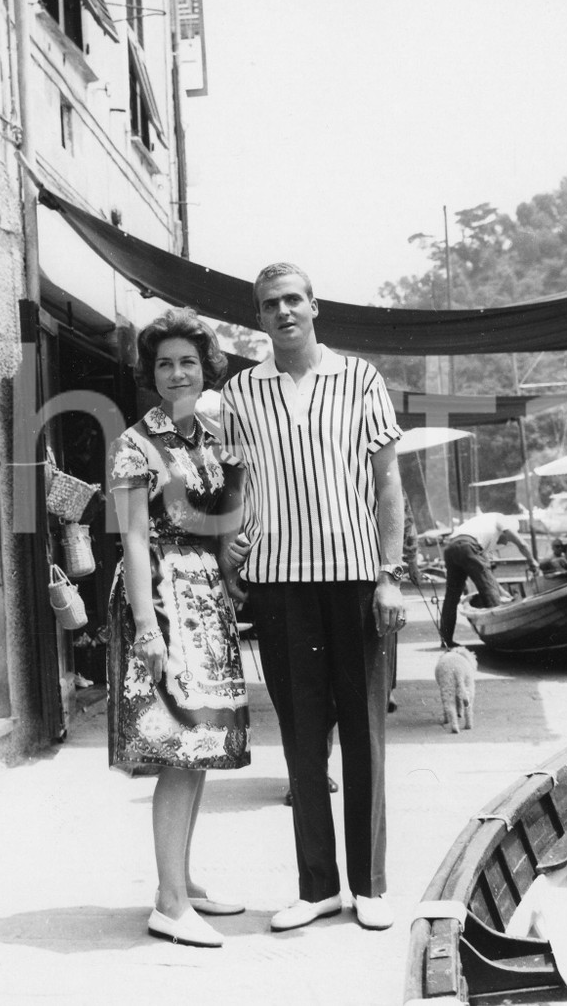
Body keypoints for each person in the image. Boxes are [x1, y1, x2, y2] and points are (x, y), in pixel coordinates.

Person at [220, 262, 405, 933]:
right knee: (301, 741)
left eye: (293, 298)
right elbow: (237, 486)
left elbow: (388, 483)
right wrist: (230, 545)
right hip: (277, 580)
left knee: (364, 734)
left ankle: (372, 884)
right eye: (270, 303)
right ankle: (318, 884)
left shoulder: (360, 378)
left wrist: (390, 572)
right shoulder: (240, 390)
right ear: (260, 315)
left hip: (356, 575)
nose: (283, 311)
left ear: (314, 305)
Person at [106, 308, 250, 949]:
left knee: (200, 747)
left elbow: (223, 515)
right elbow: (134, 539)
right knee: (179, 746)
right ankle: (167, 902)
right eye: (164, 363)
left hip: (204, 599)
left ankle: (181, 881)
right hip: (161, 601)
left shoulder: (207, 439)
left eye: (187, 362)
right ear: (151, 373)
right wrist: (146, 631)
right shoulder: (134, 444)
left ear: (205, 368)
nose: (176, 373)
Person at [439, 512, 540, 648]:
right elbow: (522, 545)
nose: (505, 542)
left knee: (451, 597)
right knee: (489, 592)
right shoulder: (503, 520)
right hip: (467, 546)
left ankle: (446, 640)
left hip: (451, 547)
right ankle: (503, 639)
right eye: (507, 539)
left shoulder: (484, 529)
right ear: (506, 532)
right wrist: (532, 561)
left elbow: (488, 576)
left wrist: (503, 592)